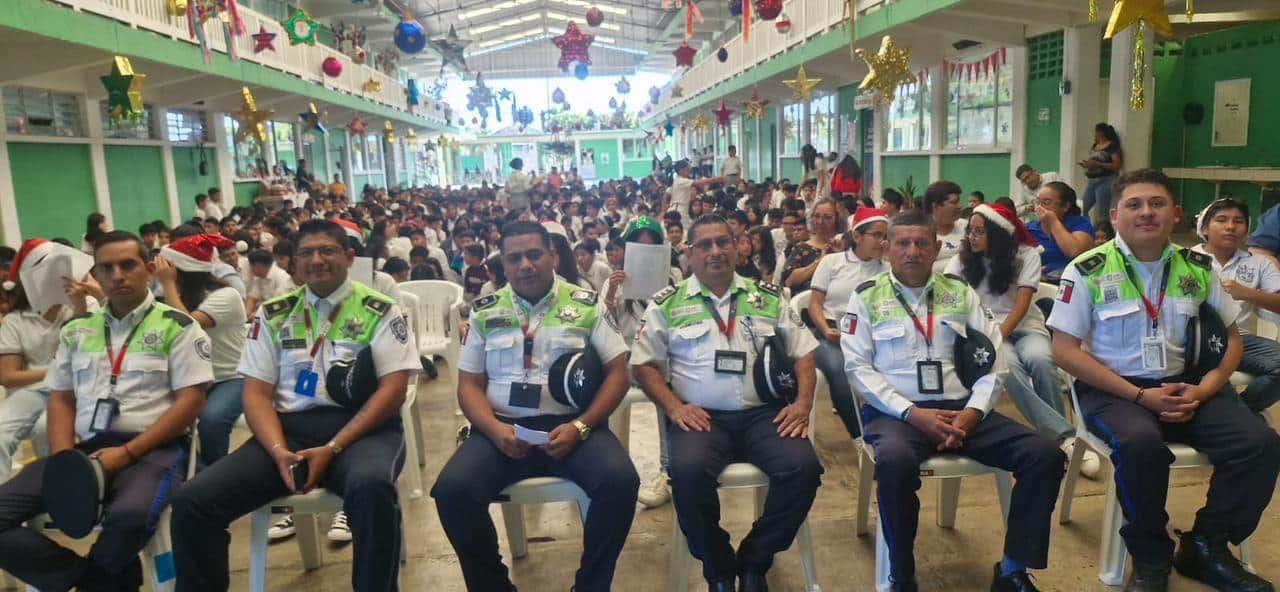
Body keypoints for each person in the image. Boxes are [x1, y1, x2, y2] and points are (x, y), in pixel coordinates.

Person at [1049, 169, 1280, 592]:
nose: (1146, 213)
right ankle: (1151, 557)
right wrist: (1140, 395)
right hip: (1115, 389)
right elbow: (1064, 351)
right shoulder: (1088, 270)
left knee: (1259, 444)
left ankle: (1206, 547)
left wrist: (1208, 387)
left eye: (1157, 204)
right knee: (1140, 448)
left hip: (1190, 386)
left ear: (1175, 214)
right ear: (1115, 216)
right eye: (1134, 205)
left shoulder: (1197, 265)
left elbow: (1231, 339)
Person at [171, 219, 420, 591]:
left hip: (363, 431)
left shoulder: (379, 310)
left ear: (349, 258)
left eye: (327, 251)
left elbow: (393, 389)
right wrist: (277, 450)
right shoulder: (273, 314)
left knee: (371, 489)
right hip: (287, 432)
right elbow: (255, 392)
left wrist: (335, 446)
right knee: (193, 501)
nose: (316, 260)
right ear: (293, 262)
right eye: (306, 253)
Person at [843, 209, 1066, 591]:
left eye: (921, 243)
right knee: (894, 466)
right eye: (902, 243)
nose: (912, 251)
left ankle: (1013, 570)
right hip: (897, 414)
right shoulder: (865, 298)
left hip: (963, 409)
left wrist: (973, 413)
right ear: (888, 248)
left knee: (1045, 455)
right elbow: (858, 369)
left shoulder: (959, 292)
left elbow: (994, 360)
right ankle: (902, 573)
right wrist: (913, 414)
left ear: (936, 248)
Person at [431, 221, 639, 591]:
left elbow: (618, 374)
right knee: (452, 491)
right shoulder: (483, 312)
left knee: (621, 482)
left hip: (574, 427)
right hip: (502, 429)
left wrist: (583, 426)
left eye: (534, 254)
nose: (525, 265)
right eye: (515, 258)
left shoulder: (587, 306)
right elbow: (469, 386)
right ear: (504, 266)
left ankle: (590, 586)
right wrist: (495, 432)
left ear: (553, 256)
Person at [0, 231, 213, 591]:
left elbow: (192, 401)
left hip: (153, 450)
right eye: (107, 267)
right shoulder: (76, 331)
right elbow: (61, 398)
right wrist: (66, 459)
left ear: (148, 269)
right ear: (95, 276)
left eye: (128, 265)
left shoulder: (178, 326)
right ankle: (91, 579)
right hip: (86, 449)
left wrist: (127, 453)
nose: (117, 275)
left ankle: (97, 582)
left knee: (129, 517)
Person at [632, 214, 822, 592]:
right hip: (701, 419)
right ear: (689, 253)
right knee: (686, 475)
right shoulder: (666, 304)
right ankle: (718, 569)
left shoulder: (767, 297)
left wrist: (802, 404)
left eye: (723, 242)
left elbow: (804, 354)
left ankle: (754, 560)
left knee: (803, 469)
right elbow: (643, 365)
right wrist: (674, 407)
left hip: (765, 415)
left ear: (737, 247)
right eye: (704, 245)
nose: (715, 251)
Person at [945, 204, 1100, 477]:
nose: (972, 236)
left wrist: (999, 335)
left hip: (1025, 326)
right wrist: (989, 338)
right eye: (971, 230)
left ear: (998, 233)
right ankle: (1064, 437)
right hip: (985, 333)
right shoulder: (961, 260)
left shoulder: (1026, 255)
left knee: (1041, 359)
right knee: (1010, 369)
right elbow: (950, 299)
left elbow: (1021, 305)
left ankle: (1057, 437)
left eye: (980, 231)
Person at [598, 218, 681, 508]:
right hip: (625, 358)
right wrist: (611, 292)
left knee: (670, 387)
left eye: (651, 244)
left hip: (660, 358)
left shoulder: (673, 276)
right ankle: (612, 473)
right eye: (638, 243)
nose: (644, 248)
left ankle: (668, 472)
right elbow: (602, 323)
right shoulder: (615, 279)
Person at [0, 240, 95, 483]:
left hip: (75, 388)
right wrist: (54, 371)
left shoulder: (86, 305)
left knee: (46, 429)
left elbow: (91, 353)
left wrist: (80, 308)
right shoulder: (16, 320)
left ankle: (54, 497)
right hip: (31, 391)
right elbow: (8, 376)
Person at [155, 234, 248, 466]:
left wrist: (167, 284)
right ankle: (191, 469)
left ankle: (215, 476)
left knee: (211, 421)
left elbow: (186, 326)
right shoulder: (177, 297)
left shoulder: (226, 296)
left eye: (170, 268)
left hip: (230, 377)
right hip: (191, 379)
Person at [1192, 198, 1280, 412]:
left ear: (1247, 231)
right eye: (1221, 220)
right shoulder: (1185, 258)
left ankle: (1241, 411)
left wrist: (1247, 293)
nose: (1231, 226)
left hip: (1240, 340)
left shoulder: (1258, 263)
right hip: (1193, 339)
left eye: (1238, 221)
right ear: (1204, 228)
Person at [808, 208, 888, 440]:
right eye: (877, 235)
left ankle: (887, 428)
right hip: (831, 334)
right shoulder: (833, 262)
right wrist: (825, 329)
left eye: (886, 236)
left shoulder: (887, 270)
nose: (882, 242)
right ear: (858, 236)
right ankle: (861, 437)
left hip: (872, 335)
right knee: (840, 369)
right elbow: (814, 304)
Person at [1028, 181, 1094, 281]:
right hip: (1038, 285)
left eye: (1046, 203)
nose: (1039, 207)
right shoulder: (1029, 228)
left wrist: (1053, 221)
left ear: (1065, 206)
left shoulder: (1080, 224)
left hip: (1072, 284)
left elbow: (1074, 252)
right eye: (1037, 202)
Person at [782, 199, 845, 293]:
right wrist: (820, 261)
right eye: (816, 216)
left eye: (827, 217)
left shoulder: (846, 246)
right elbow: (788, 281)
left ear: (837, 220)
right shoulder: (801, 248)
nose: (820, 221)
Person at [1079, 123, 1123, 228]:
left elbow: (1117, 165)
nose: (1094, 134)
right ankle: (1086, 230)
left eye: (1096, 131)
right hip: (1092, 180)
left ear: (1101, 132)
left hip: (1105, 180)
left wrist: (1098, 164)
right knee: (1083, 207)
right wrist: (1087, 164)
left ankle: (1104, 234)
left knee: (1102, 211)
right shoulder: (1095, 146)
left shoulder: (1112, 146)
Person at [923, 181, 966, 272]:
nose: (960, 206)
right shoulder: (921, 233)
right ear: (935, 206)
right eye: (954, 202)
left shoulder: (967, 227)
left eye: (959, 201)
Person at [244, 248, 295, 315]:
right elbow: (252, 298)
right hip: (266, 314)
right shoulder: (259, 277)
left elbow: (279, 305)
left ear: (257, 265)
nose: (250, 269)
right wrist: (246, 315)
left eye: (251, 266)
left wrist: (257, 315)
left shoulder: (281, 277)